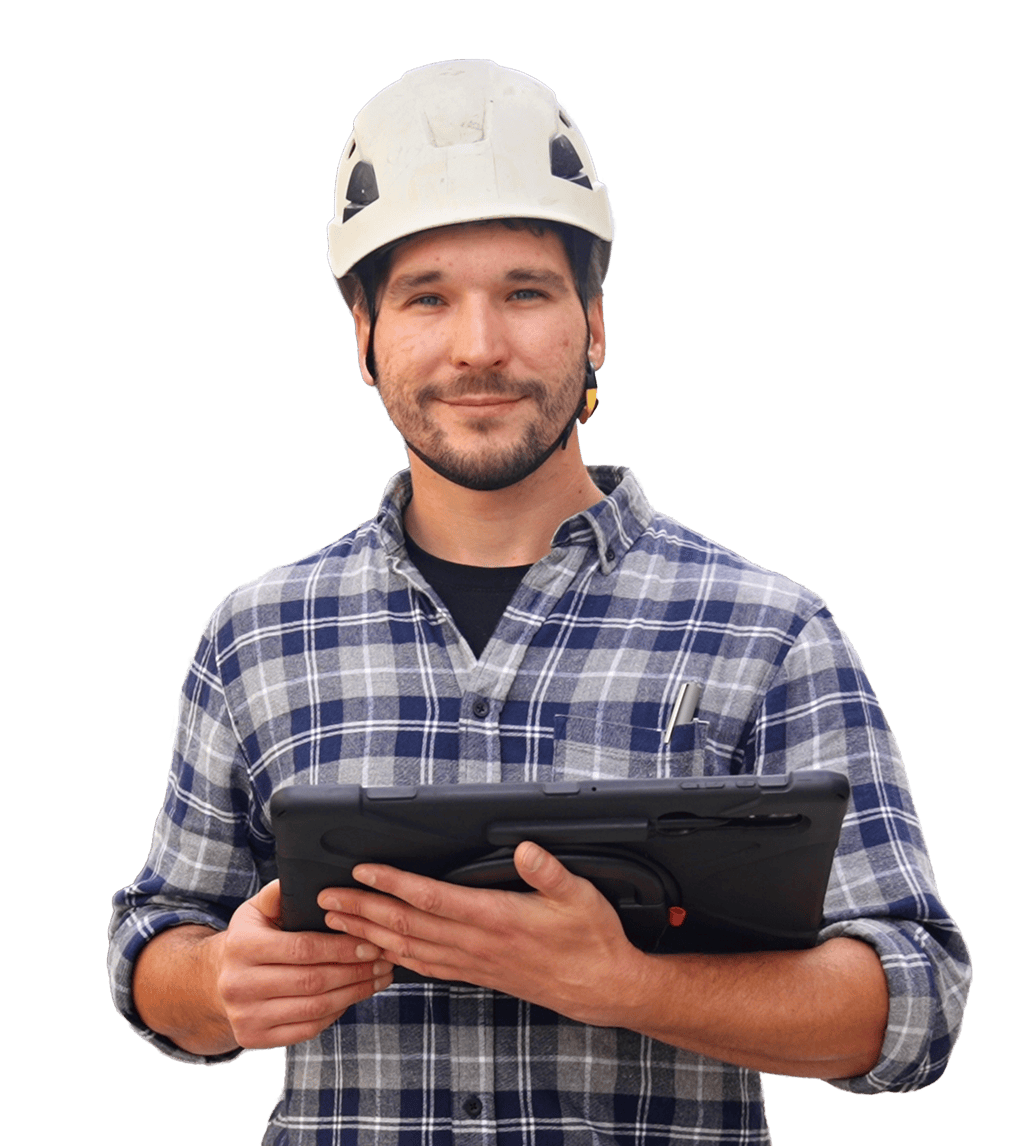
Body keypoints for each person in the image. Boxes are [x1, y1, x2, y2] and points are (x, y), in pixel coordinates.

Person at [108, 60, 971, 1145]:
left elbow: (916, 1000)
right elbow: (157, 940)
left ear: (594, 323)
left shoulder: (770, 632)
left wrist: (629, 985)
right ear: (364, 336)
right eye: (426, 297)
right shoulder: (255, 636)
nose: (479, 347)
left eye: (525, 291)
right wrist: (217, 984)